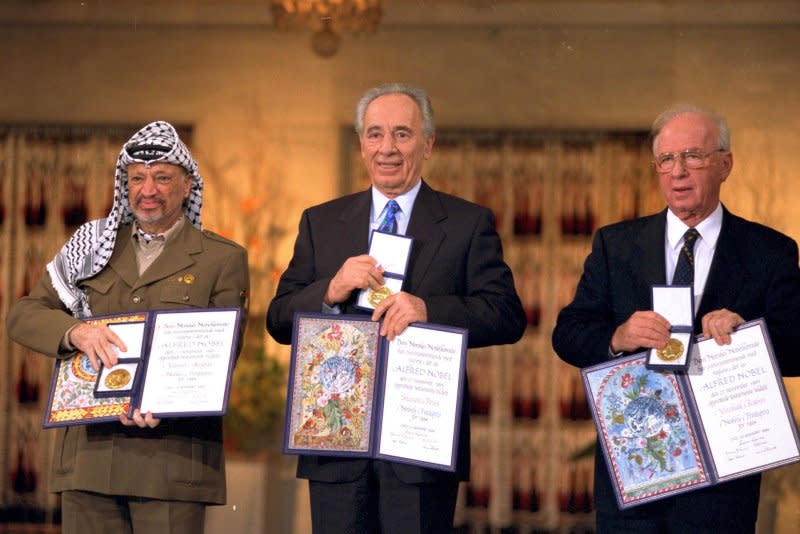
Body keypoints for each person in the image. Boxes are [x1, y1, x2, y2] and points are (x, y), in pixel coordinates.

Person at [267, 83, 526, 533]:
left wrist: (430, 309)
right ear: (361, 144)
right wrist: (330, 289)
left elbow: (506, 314)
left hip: (420, 444)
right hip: (336, 443)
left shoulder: (467, 223)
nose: (387, 148)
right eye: (375, 134)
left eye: (402, 134)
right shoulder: (321, 221)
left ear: (428, 144)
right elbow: (278, 319)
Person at [551, 104, 800, 533]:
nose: (678, 172)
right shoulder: (616, 244)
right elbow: (569, 334)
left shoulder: (769, 250)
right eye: (666, 160)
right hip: (634, 475)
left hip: (723, 486)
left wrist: (746, 336)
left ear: (725, 164)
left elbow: (798, 348)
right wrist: (619, 335)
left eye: (693, 156)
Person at [7, 121, 249, 534]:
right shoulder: (91, 246)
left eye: (161, 178)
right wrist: (75, 333)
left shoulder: (221, 259)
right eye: (137, 178)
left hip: (172, 465)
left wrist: (165, 402)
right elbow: (24, 314)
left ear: (187, 186)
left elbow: (221, 354)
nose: (147, 189)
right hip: (89, 459)